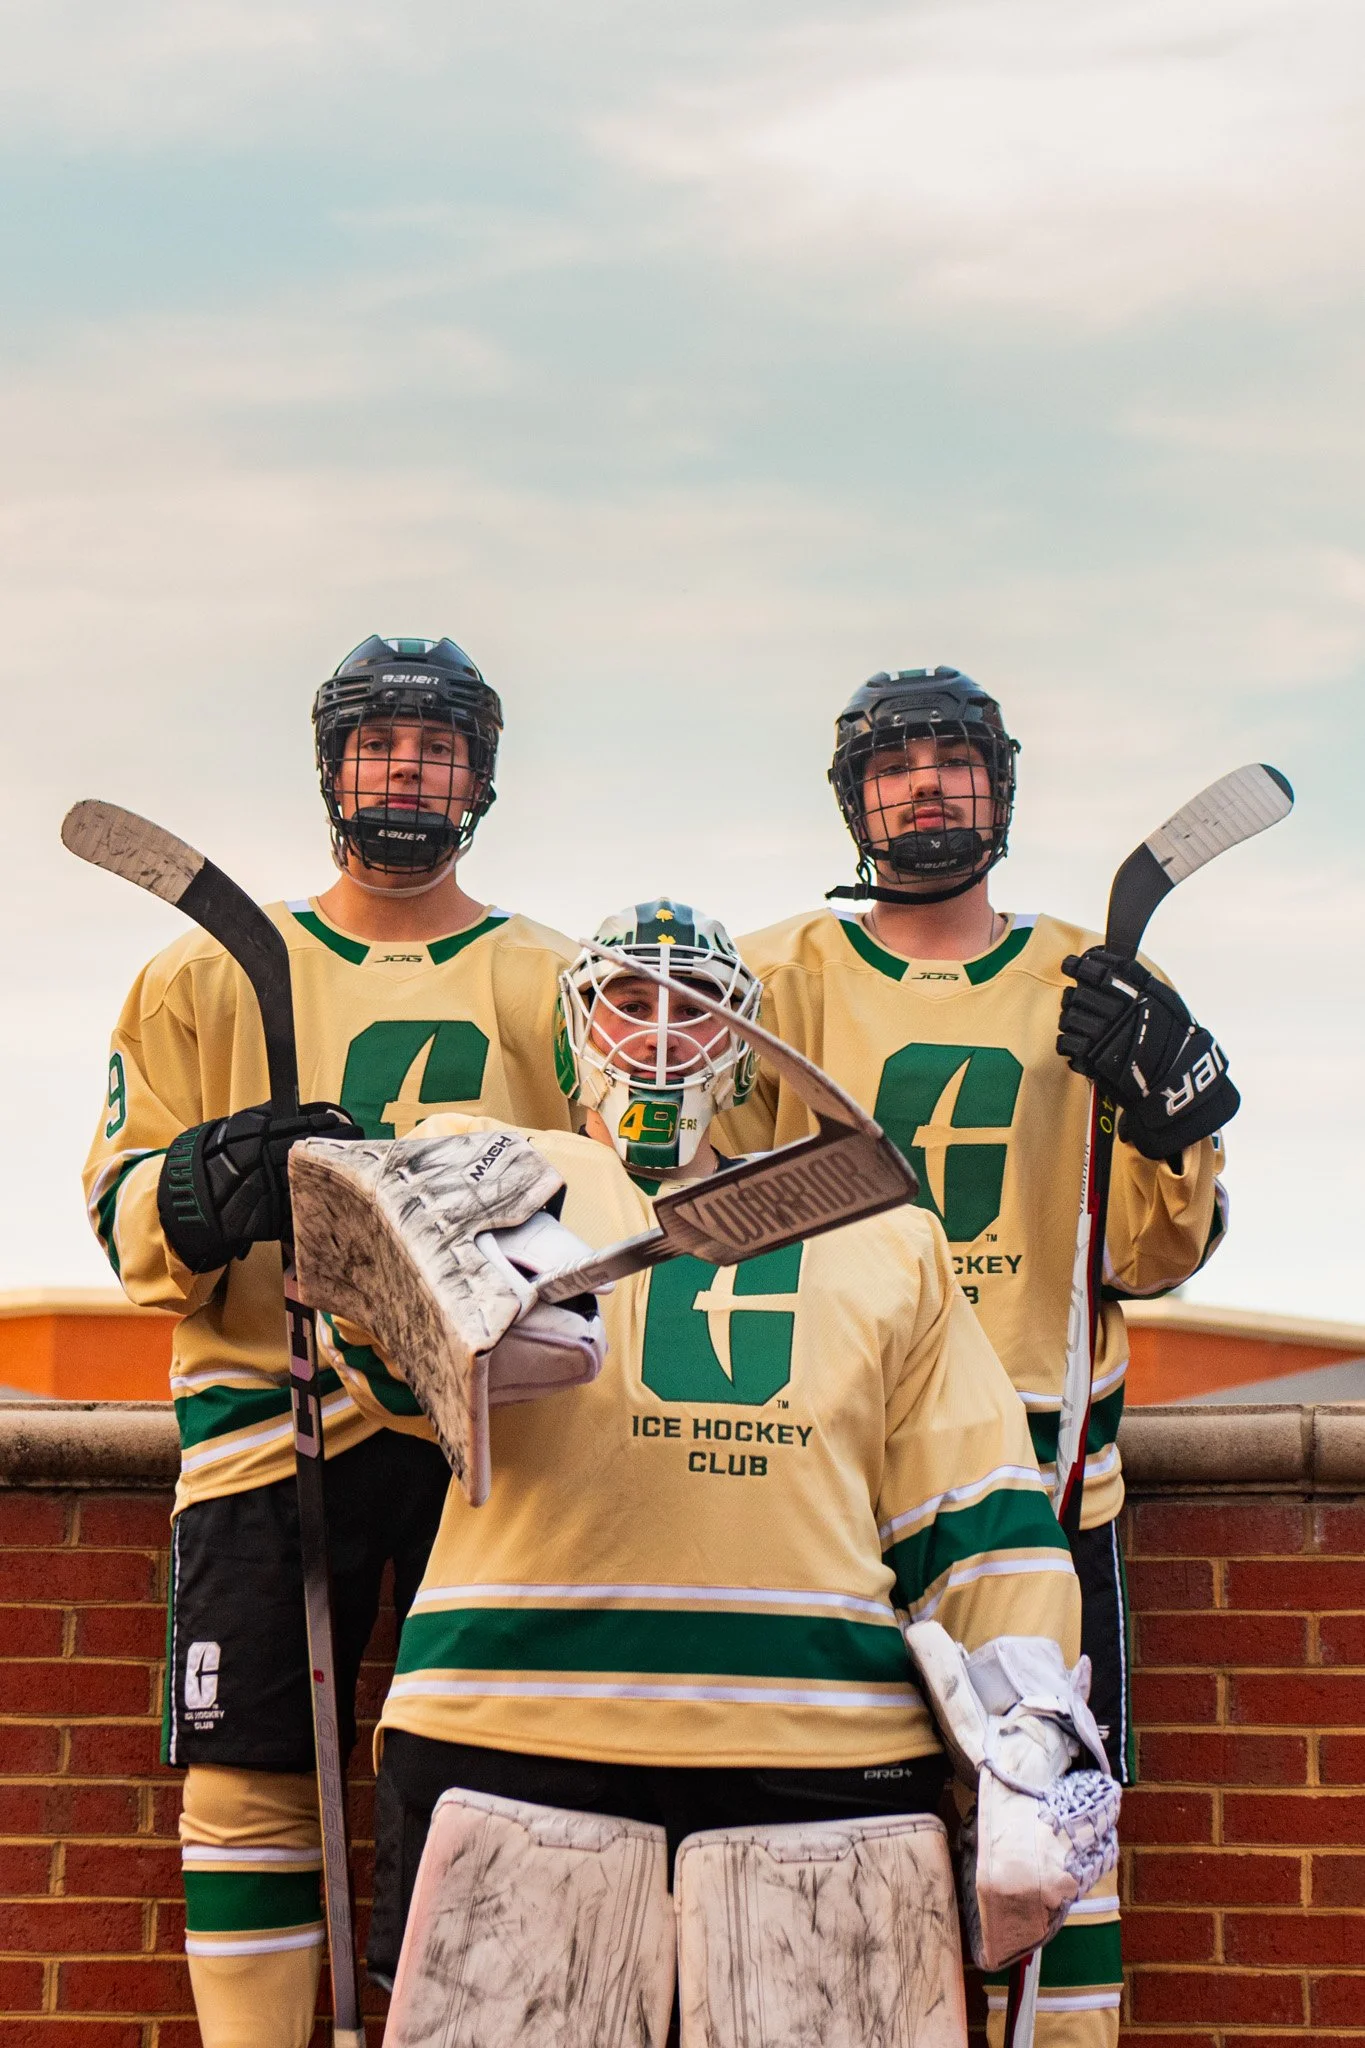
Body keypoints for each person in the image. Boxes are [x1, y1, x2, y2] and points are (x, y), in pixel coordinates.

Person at [322, 901, 1109, 2041]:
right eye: (629, 1000)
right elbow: (382, 1368)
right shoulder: (491, 1169)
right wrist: (438, 1312)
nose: (660, 1032)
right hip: (516, 1731)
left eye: (694, 1006)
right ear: (571, 1029)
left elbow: (973, 1508)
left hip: (821, 1750)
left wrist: (1027, 1743)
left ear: (747, 1045)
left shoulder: (882, 1230)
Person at [717, 666, 1237, 2046]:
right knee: (847, 1809)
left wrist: (1171, 1111)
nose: (926, 786)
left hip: (1041, 1464)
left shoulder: (1102, 979)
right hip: (836, 1471)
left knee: (1054, 1825)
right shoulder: (778, 974)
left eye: (952, 759)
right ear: (853, 799)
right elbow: (704, 1226)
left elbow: (1145, 1255)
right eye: (894, 766)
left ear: (999, 781)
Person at [81, 634, 577, 2048]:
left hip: (483, 1436)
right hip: (262, 1425)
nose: (407, 766)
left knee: (479, 1768)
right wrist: (200, 1188)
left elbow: (611, 1207)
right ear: (332, 768)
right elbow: (121, 1209)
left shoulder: (550, 978)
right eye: (380, 743)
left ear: (479, 775)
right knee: (247, 1779)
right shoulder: (203, 977)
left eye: (437, 744)